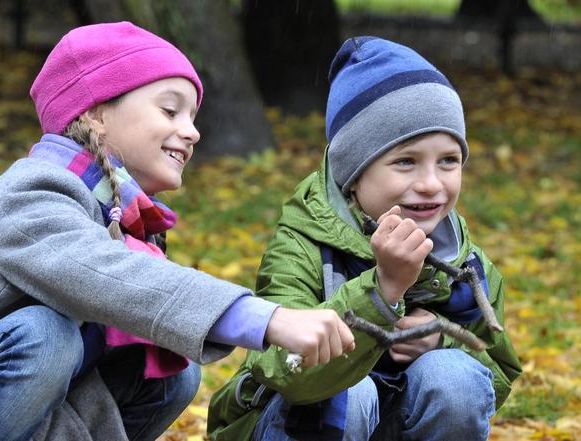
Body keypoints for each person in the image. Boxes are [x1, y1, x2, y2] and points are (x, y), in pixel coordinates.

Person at [0, 22, 355, 441]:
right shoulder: (35, 192)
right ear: (94, 114)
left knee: (169, 370)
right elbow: (109, 276)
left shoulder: (113, 213)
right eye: (170, 110)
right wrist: (267, 319)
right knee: (45, 334)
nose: (192, 131)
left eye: (193, 116)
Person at [207, 36, 522, 441]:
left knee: (456, 379)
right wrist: (383, 291)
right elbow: (284, 371)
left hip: (396, 420)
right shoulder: (302, 245)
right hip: (298, 422)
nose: (431, 184)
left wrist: (442, 340)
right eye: (405, 161)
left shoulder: (464, 261)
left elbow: (496, 374)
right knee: (349, 394)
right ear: (353, 175)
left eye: (448, 161)